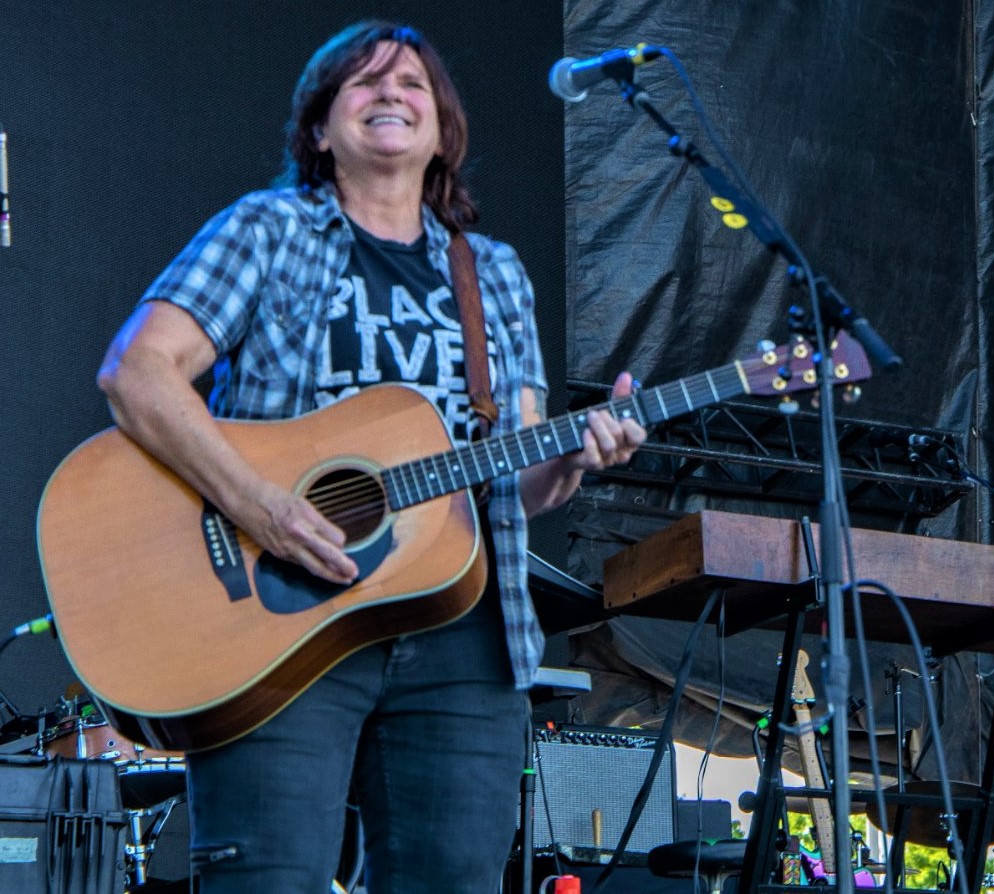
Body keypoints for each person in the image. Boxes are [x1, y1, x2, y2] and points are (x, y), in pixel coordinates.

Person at [93, 21, 645, 892]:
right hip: (278, 626)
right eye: (364, 82)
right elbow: (137, 372)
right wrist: (258, 503)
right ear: (320, 128)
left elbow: (523, 483)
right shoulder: (267, 231)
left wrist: (577, 456)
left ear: (442, 131)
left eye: (413, 84)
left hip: (464, 639)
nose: (391, 93)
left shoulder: (491, 274)